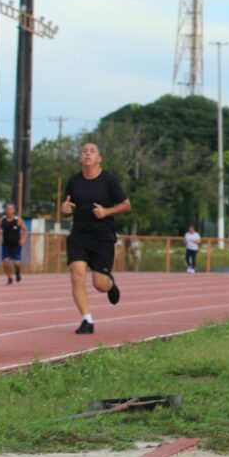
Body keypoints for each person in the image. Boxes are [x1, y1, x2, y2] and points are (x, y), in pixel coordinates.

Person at [61, 142, 130, 335]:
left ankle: (110, 284)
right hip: (79, 236)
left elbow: (126, 205)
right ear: (80, 158)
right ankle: (87, 319)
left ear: (99, 159)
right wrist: (64, 210)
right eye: (84, 151)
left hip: (102, 237)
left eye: (92, 151)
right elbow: (66, 207)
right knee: (77, 274)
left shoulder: (109, 181)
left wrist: (106, 211)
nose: (88, 153)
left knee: (99, 284)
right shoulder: (74, 182)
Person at [0, 203, 27, 285]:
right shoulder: (2, 220)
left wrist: (23, 239)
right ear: (5, 210)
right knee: (5, 262)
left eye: (11, 209)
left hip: (16, 245)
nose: (9, 211)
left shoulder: (18, 220)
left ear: (14, 210)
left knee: (16, 263)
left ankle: (18, 272)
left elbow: (25, 230)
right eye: (7, 209)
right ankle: (9, 278)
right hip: (6, 245)